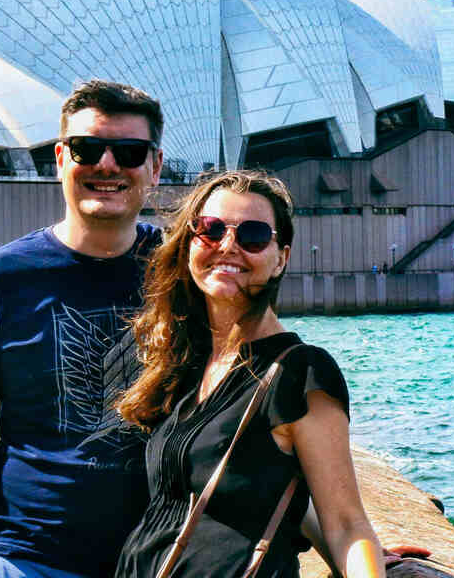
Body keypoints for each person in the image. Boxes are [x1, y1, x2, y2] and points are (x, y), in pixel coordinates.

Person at [0, 80, 164, 578]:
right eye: (87, 148)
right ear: (61, 158)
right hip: (28, 556)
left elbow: (269, 398)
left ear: (154, 166)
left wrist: (346, 536)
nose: (107, 165)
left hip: (164, 556)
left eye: (129, 150)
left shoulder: (184, 271)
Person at [113, 170, 385, 578]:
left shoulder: (301, 372)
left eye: (253, 235)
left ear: (282, 258)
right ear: (189, 244)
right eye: (210, 229)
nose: (228, 246)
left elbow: (346, 522)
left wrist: (369, 564)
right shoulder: (185, 362)